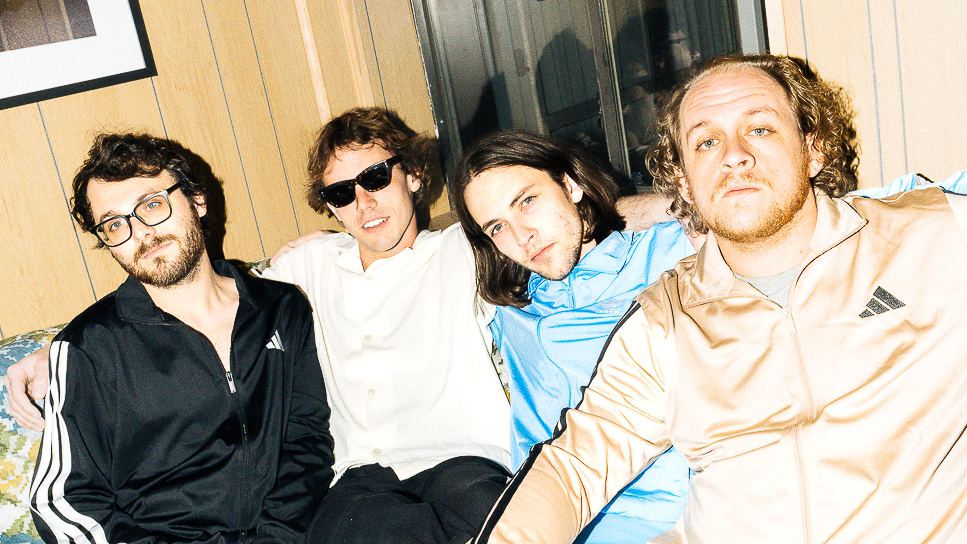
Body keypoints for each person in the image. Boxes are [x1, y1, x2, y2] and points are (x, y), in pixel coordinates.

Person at [467, 54, 967, 544]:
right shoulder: (664, 320)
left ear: (813, 149)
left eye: (760, 129)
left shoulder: (932, 234)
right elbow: (573, 469)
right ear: (684, 181)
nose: (733, 155)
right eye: (706, 142)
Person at [28, 133, 334, 543]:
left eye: (152, 205)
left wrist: (277, 537)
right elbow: (60, 501)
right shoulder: (90, 348)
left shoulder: (280, 308)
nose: (141, 233)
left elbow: (306, 443)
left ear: (198, 200)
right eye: (115, 224)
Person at [257, 107, 513, 544]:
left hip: (464, 464)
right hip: (357, 481)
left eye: (375, 177)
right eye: (341, 193)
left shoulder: (465, 250)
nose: (364, 203)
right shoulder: (306, 267)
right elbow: (218, 297)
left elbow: (572, 221)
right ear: (332, 208)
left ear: (412, 174)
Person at [452, 129, 693, 544]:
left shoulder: (677, 250)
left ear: (571, 185)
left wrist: (666, 206)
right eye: (498, 227)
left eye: (527, 201)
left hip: (695, 510)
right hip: (565, 518)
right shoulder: (513, 311)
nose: (522, 236)